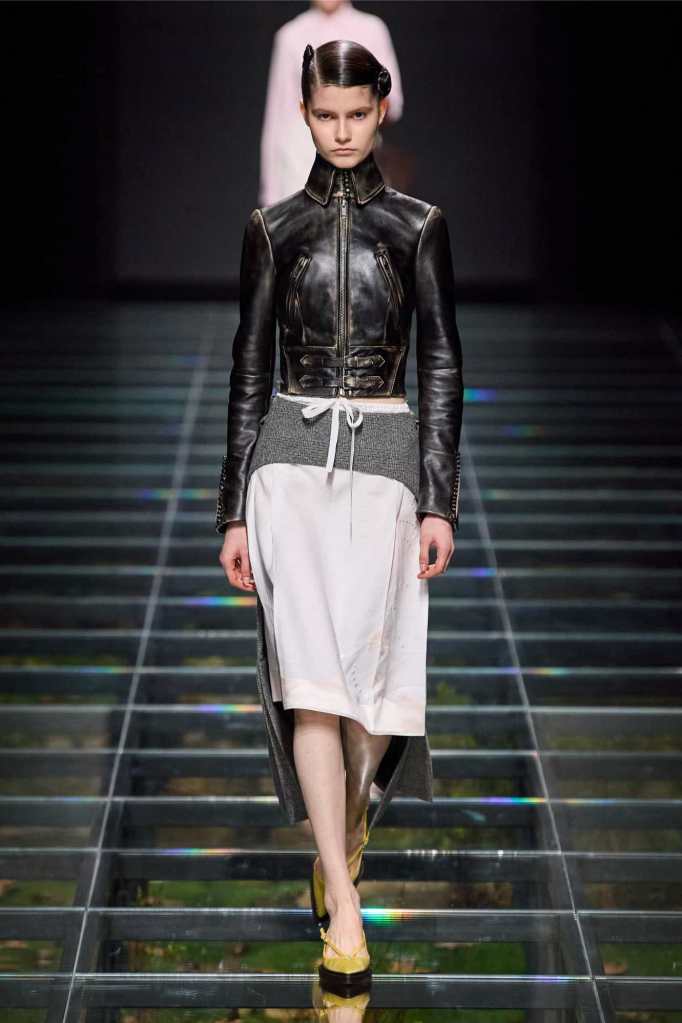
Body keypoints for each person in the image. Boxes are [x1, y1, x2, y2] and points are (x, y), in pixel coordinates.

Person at [216, 40, 463, 995]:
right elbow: (249, 365)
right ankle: (346, 911)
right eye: (327, 116)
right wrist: (233, 509)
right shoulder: (272, 228)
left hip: (388, 458)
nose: (343, 131)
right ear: (305, 113)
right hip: (288, 461)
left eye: (358, 114)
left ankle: (346, 830)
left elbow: (441, 361)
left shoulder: (419, 226)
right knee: (313, 683)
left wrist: (439, 494)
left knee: (377, 696)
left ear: (380, 109)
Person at [259, 0, 404, 206]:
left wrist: (362, 110)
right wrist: (272, 196)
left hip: (360, 162)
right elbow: (278, 118)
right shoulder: (290, 35)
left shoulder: (371, 29)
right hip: (300, 163)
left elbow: (392, 102)